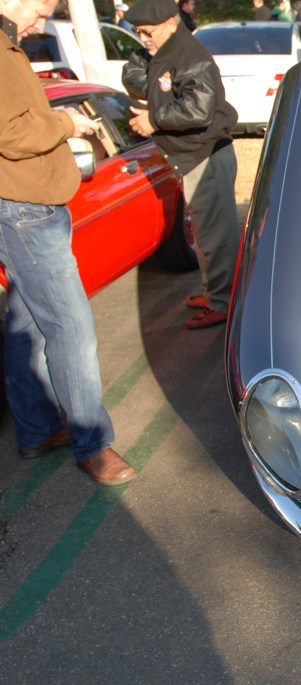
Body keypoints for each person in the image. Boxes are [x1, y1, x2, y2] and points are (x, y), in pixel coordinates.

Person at [0, 0, 137, 486]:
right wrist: (68, 124)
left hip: (25, 204)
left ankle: (37, 428)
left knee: (30, 323)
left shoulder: (8, 44)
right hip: (25, 208)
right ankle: (93, 444)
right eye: (41, 10)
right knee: (71, 327)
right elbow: (12, 133)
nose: (42, 22)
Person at [122, 0, 239, 330]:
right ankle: (214, 292)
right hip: (194, 154)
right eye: (138, 32)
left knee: (217, 237)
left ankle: (223, 302)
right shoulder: (167, 50)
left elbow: (198, 110)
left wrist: (154, 119)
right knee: (205, 234)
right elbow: (131, 72)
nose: (143, 38)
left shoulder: (189, 56)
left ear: (171, 23)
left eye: (147, 31)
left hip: (205, 154)